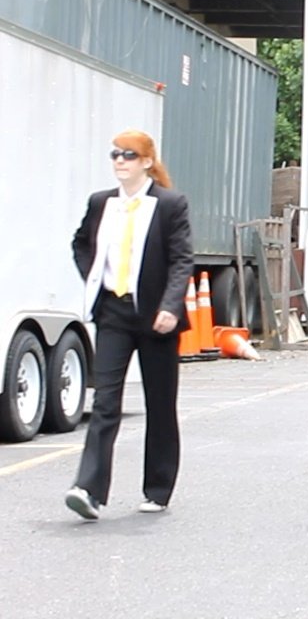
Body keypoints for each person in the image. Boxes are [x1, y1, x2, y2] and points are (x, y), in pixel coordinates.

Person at [64, 130, 194, 520]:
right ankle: (88, 489)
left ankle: (157, 488)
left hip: (157, 317)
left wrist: (171, 305)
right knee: (104, 401)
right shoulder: (101, 203)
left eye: (129, 155)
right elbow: (80, 243)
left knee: (159, 402)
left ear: (147, 161)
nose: (120, 161)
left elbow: (181, 259)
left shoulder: (170, 204)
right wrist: (95, 282)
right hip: (113, 313)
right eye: (115, 154)